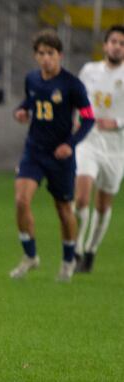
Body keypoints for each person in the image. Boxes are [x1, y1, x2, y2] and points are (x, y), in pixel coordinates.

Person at [9, 29, 95, 282]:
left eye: (51, 53)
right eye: (41, 53)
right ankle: (30, 256)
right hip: (34, 151)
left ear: (60, 55)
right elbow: (29, 102)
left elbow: (89, 118)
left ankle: (69, 260)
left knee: (63, 209)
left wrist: (71, 143)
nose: (46, 58)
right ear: (36, 56)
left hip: (61, 157)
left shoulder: (72, 85)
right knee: (21, 200)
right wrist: (20, 112)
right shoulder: (32, 79)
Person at [73, 25, 124, 273]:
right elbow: (78, 97)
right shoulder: (90, 71)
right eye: (113, 41)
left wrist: (117, 122)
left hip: (116, 147)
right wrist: (76, 116)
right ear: (105, 45)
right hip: (89, 141)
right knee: (81, 197)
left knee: (103, 205)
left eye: (122, 43)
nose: (117, 46)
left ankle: (91, 250)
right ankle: (77, 248)